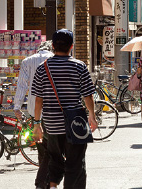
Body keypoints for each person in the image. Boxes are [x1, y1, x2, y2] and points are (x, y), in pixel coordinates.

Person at [32, 29, 98, 189]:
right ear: (72, 46)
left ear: (53, 46)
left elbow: (38, 100)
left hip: (52, 124)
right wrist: (92, 116)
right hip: (75, 123)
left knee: (55, 159)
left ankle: (53, 186)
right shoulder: (79, 66)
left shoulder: (42, 68)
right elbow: (88, 96)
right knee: (76, 163)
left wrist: (36, 124)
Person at [14, 40, 53, 189]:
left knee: (41, 146)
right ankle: (47, 180)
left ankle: (44, 178)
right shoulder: (56, 60)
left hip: (34, 111)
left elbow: (22, 85)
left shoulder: (27, 61)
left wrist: (17, 106)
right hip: (54, 112)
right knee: (52, 146)